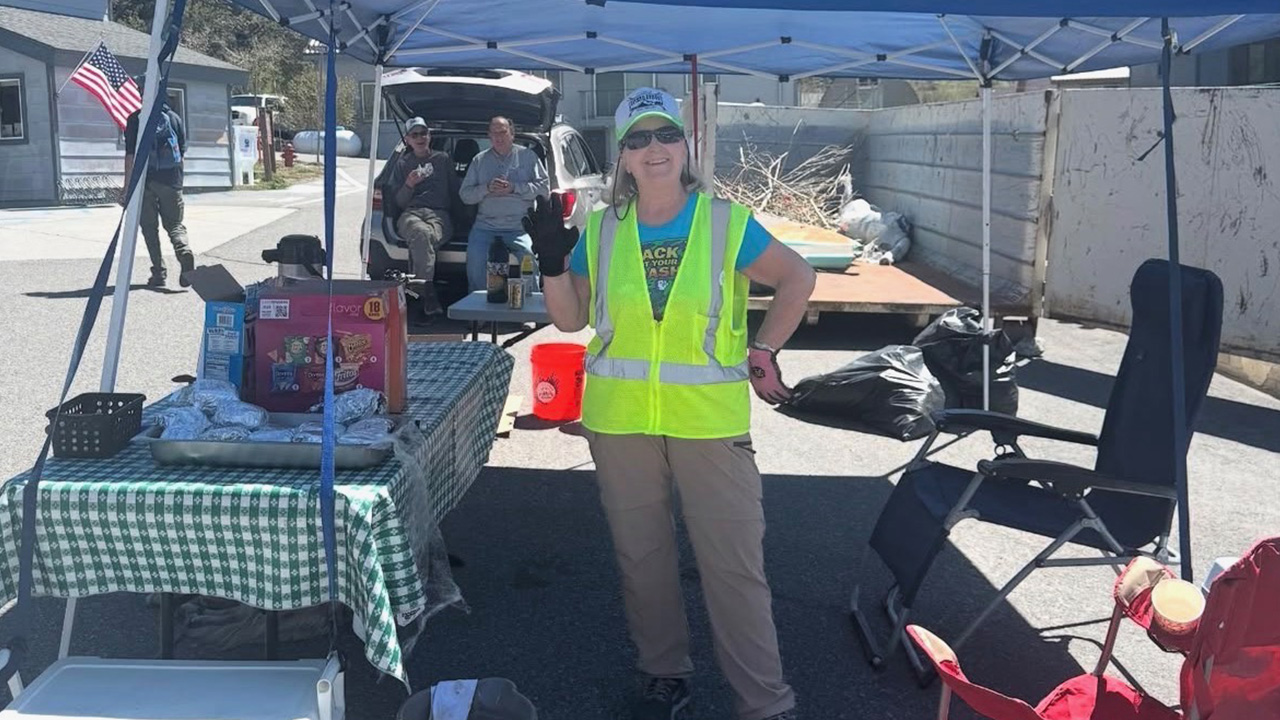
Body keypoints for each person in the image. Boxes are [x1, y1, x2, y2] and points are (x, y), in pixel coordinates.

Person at [523, 87, 815, 720]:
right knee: (643, 557)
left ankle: (765, 702)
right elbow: (570, 321)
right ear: (622, 156)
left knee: (734, 567)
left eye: (664, 136)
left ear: (685, 147)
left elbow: (798, 278)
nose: (652, 149)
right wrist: (552, 262)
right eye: (637, 139)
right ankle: (664, 674)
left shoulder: (723, 222)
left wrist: (764, 351)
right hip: (619, 420)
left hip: (708, 423)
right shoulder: (600, 229)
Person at [460, 116, 549, 292]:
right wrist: (486, 188)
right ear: (489, 136)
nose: (499, 137)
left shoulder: (528, 156)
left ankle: (530, 308)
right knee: (475, 262)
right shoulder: (479, 160)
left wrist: (514, 188)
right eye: (494, 133)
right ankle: (479, 312)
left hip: (520, 227)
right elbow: (465, 195)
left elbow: (544, 190)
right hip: (485, 227)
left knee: (530, 259)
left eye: (503, 132)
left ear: (512, 134)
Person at [386, 116, 459, 316]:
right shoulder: (402, 164)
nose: (420, 138)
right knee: (420, 233)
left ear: (429, 136)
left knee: (424, 237)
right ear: (408, 140)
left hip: (439, 214)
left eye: (423, 133)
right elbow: (397, 203)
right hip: (411, 214)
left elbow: (455, 191)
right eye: (414, 134)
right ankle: (427, 294)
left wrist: (463, 220)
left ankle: (420, 295)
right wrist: (409, 184)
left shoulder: (443, 159)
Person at [124, 77, 193, 288]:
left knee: (149, 227)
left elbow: (130, 156)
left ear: (142, 93)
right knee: (174, 225)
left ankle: (159, 272)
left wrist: (127, 188)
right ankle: (184, 252)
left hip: (145, 182)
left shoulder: (135, 119)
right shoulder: (174, 118)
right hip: (171, 181)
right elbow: (181, 153)